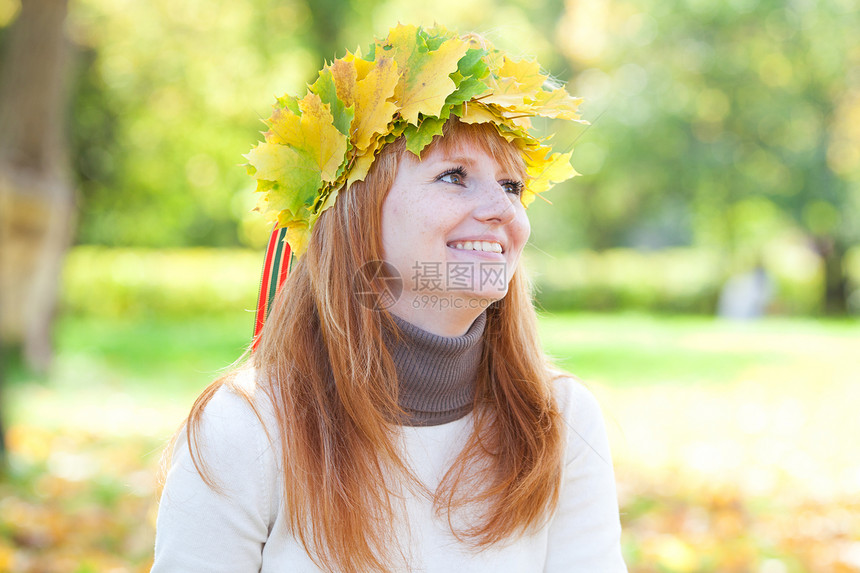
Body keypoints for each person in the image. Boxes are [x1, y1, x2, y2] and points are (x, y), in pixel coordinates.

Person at [152, 25, 627, 573]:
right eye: (454, 176)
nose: (502, 210)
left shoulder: (558, 421)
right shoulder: (246, 430)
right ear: (358, 215)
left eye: (511, 186)